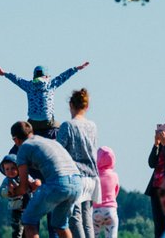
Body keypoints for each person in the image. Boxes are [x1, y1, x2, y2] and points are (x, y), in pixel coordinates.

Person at [10, 121, 82, 238]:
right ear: (31, 132)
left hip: (59, 183)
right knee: (60, 225)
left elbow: (22, 189)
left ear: (15, 139)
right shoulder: (49, 142)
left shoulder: (23, 148)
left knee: (28, 220)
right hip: (77, 182)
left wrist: (13, 192)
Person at [0, 62, 89, 138]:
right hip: (48, 122)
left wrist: (4, 73)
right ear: (47, 77)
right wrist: (76, 68)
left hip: (32, 123)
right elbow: (64, 76)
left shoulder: (29, 86)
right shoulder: (51, 85)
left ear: (34, 76)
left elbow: (16, 79)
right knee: (60, 128)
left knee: (25, 128)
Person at [57, 88, 100, 238]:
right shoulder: (92, 126)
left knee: (75, 219)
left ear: (71, 105)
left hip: (75, 176)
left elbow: (58, 151)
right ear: (86, 107)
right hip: (92, 176)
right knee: (87, 219)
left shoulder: (67, 126)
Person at [0, 154, 42, 238]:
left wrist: (36, 183)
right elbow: (1, 192)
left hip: (30, 209)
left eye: (13, 168)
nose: (10, 171)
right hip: (17, 210)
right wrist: (8, 191)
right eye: (7, 169)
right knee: (18, 231)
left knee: (30, 231)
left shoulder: (25, 176)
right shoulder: (7, 181)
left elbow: (34, 183)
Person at [93, 146, 120, 238]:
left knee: (93, 234)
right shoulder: (114, 176)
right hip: (110, 210)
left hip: (96, 210)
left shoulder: (95, 175)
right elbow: (116, 191)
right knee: (111, 235)